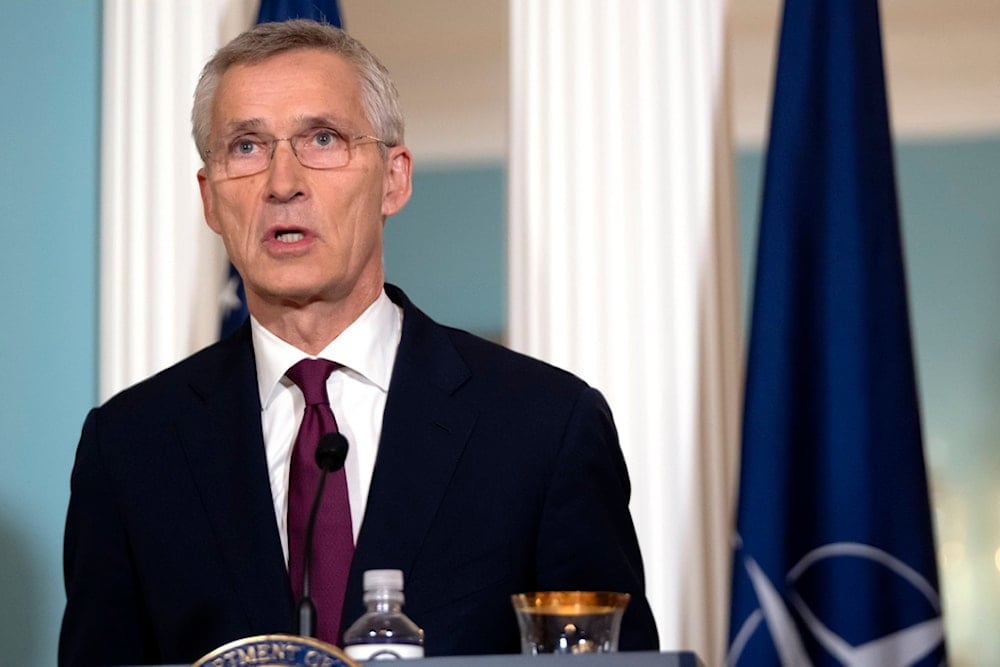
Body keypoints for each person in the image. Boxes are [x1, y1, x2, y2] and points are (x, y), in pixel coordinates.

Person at [60, 19, 658, 666]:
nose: (282, 181)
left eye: (323, 138)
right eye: (246, 146)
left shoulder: (544, 425)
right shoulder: (130, 447)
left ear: (394, 180)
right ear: (210, 199)